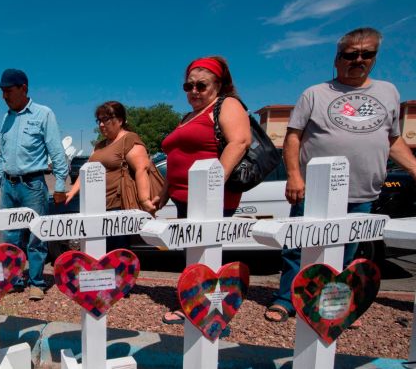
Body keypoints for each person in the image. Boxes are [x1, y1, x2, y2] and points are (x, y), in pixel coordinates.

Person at [265, 27, 416, 323]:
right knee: (298, 247)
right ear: (337, 59)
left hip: (363, 189)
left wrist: (413, 166)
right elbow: (293, 137)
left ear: (374, 57)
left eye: (367, 54)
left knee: (346, 252)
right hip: (314, 189)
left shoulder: (388, 92)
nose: (358, 59)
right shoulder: (315, 94)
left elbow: (393, 139)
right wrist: (294, 176)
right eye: (351, 54)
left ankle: (330, 304)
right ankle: (288, 299)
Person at [157, 56, 252, 324]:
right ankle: (194, 302)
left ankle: (205, 310)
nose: (194, 91)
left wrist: (213, 185)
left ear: (219, 85)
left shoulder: (226, 105)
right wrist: (164, 194)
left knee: (205, 253)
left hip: (210, 197)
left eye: (202, 85)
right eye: (189, 86)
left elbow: (239, 141)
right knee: (192, 252)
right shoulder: (190, 116)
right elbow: (176, 156)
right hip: (185, 196)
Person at [0, 69, 69, 301]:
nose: (5, 95)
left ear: (23, 88)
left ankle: (36, 282)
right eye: (2, 91)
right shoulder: (7, 118)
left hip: (33, 185)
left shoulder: (44, 114)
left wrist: (61, 184)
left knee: (36, 235)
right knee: (10, 236)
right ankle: (14, 280)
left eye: (9, 90)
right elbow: (3, 156)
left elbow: (56, 151)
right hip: (8, 185)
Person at [65, 101, 157, 247]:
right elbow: (87, 170)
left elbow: (142, 169)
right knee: (96, 253)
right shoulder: (100, 145)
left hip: (118, 208)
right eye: (99, 120)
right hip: (95, 207)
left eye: (106, 120)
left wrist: (145, 200)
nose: (101, 124)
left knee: (118, 257)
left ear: (120, 120)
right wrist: (71, 193)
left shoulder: (129, 139)